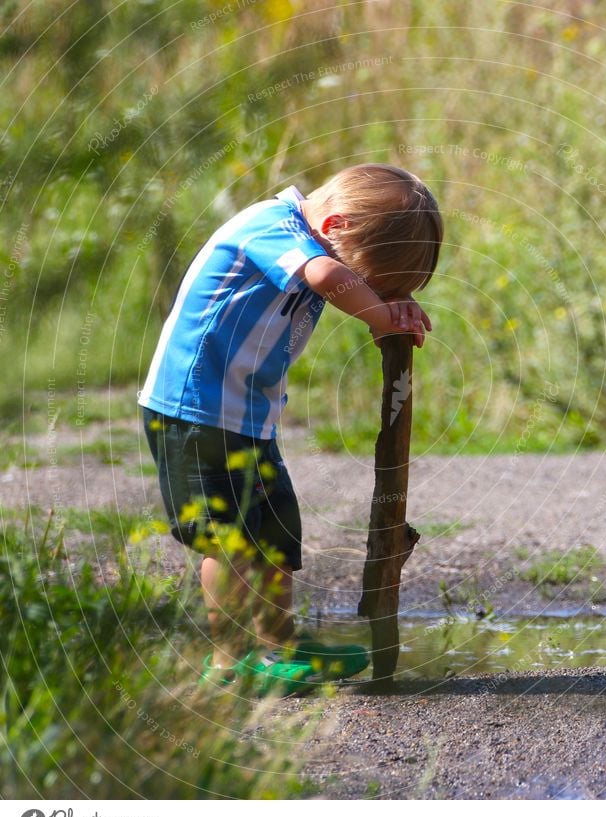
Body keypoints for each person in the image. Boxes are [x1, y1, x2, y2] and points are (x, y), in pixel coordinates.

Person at [139, 163, 443, 695]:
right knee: (228, 541)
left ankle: (278, 645)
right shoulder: (269, 226)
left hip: (247, 417)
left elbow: (339, 278)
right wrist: (378, 314)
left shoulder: (316, 242)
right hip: (193, 411)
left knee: (274, 536)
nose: (362, 293)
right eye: (367, 281)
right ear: (336, 227)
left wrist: (388, 303)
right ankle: (230, 659)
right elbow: (328, 277)